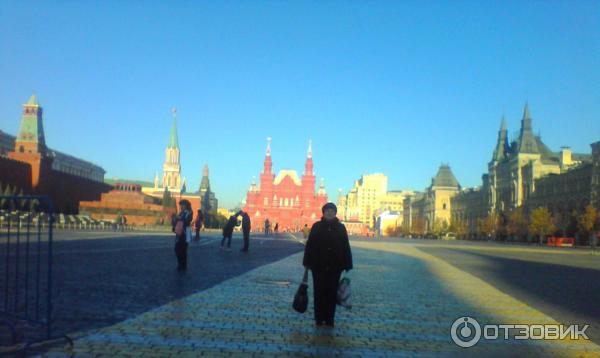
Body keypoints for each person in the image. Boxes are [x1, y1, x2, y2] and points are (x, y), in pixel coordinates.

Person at [303, 202, 353, 328]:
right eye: (327, 210)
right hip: (318, 266)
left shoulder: (341, 228)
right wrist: (307, 262)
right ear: (323, 212)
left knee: (331, 293)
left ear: (335, 213)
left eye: (332, 210)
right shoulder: (316, 226)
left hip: (335, 266)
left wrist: (347, 264)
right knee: (319, 292)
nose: (330, 212)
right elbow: (310, 246)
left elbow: (346, 246)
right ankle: (319, 318)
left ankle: (330, 319)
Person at [174, 200, 193, 272]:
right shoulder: (181, 212)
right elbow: (177, 221)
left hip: (185, 233)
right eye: (180, 205)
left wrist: (179, 218)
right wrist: (175, 219)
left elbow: (188, 220)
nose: (181, 206)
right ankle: (180, 264)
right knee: (177, 249)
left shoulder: (189, 212)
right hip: (179, 233)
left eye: (183, 205)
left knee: (183, 250)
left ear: (186, 205)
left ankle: (183, 265)